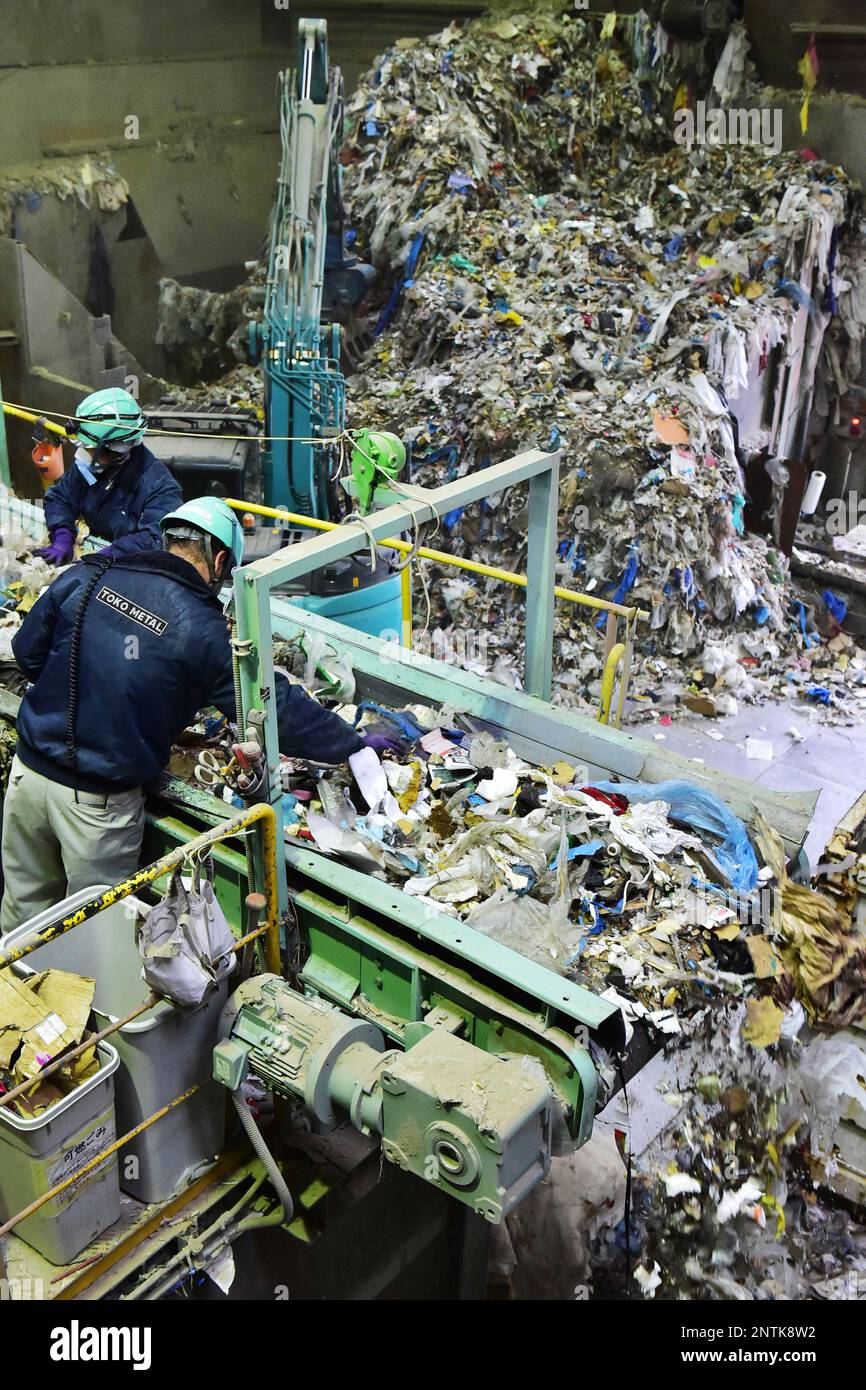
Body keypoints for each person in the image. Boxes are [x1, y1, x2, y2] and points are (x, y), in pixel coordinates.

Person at [0, 496, 383, 932]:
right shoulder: (204, 633)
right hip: (97, 807)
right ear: (220, 560)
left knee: (22, 917)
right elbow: (275, 711)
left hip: (26, 777)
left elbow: (26, 654)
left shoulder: (90, 574)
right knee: (93, 934)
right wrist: (352, 743)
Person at [38, 387, 183, 563]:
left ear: (116, 452)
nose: (83, 454)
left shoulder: (159, 487)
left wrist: (108, 556)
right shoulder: (92, 467)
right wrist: (62, 534)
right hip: (96, 548)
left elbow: (156, 539)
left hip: (131, 567)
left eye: (89, 449)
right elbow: (61, 498)